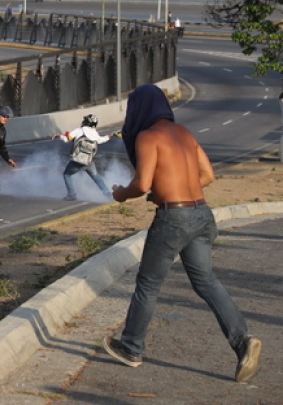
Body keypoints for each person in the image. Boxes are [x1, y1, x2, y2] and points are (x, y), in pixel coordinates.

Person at [103, 85, 262, 383]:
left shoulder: (147, 137)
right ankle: (242, 341)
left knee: (148, 284)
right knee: (207, 281)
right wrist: (170, 190)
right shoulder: (185, 133)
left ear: (139, 110)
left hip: (173, 218)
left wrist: (121, 194)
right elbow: (208, 176)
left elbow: (141, 184)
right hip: (201, 213)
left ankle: (131, 347)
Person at [56, 114, 112, 201]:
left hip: (77, 161)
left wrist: (59, 136)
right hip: (89, 161)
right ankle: (106, 193)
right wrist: (110, 136)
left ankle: (72, 194)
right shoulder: (94, 133)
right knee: (95, 175)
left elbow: (67, 139)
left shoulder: (79, 130)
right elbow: (101, 140)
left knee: (66, 175)